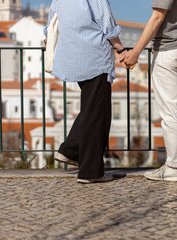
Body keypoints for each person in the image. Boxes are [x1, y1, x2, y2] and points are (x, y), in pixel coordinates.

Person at [44, 0, 127, 184]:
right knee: (97, 115)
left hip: (74, 56)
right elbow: (107, 23)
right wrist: (120, 49)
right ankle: (90, 172)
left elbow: (51, 22)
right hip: (95, 57)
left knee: (93, 109)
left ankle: (70, 151)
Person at [122, 0, 177, 181]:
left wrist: (135, 52)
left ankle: (174, 167)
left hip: (169, 50)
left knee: (171, 112)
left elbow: (157, 17)